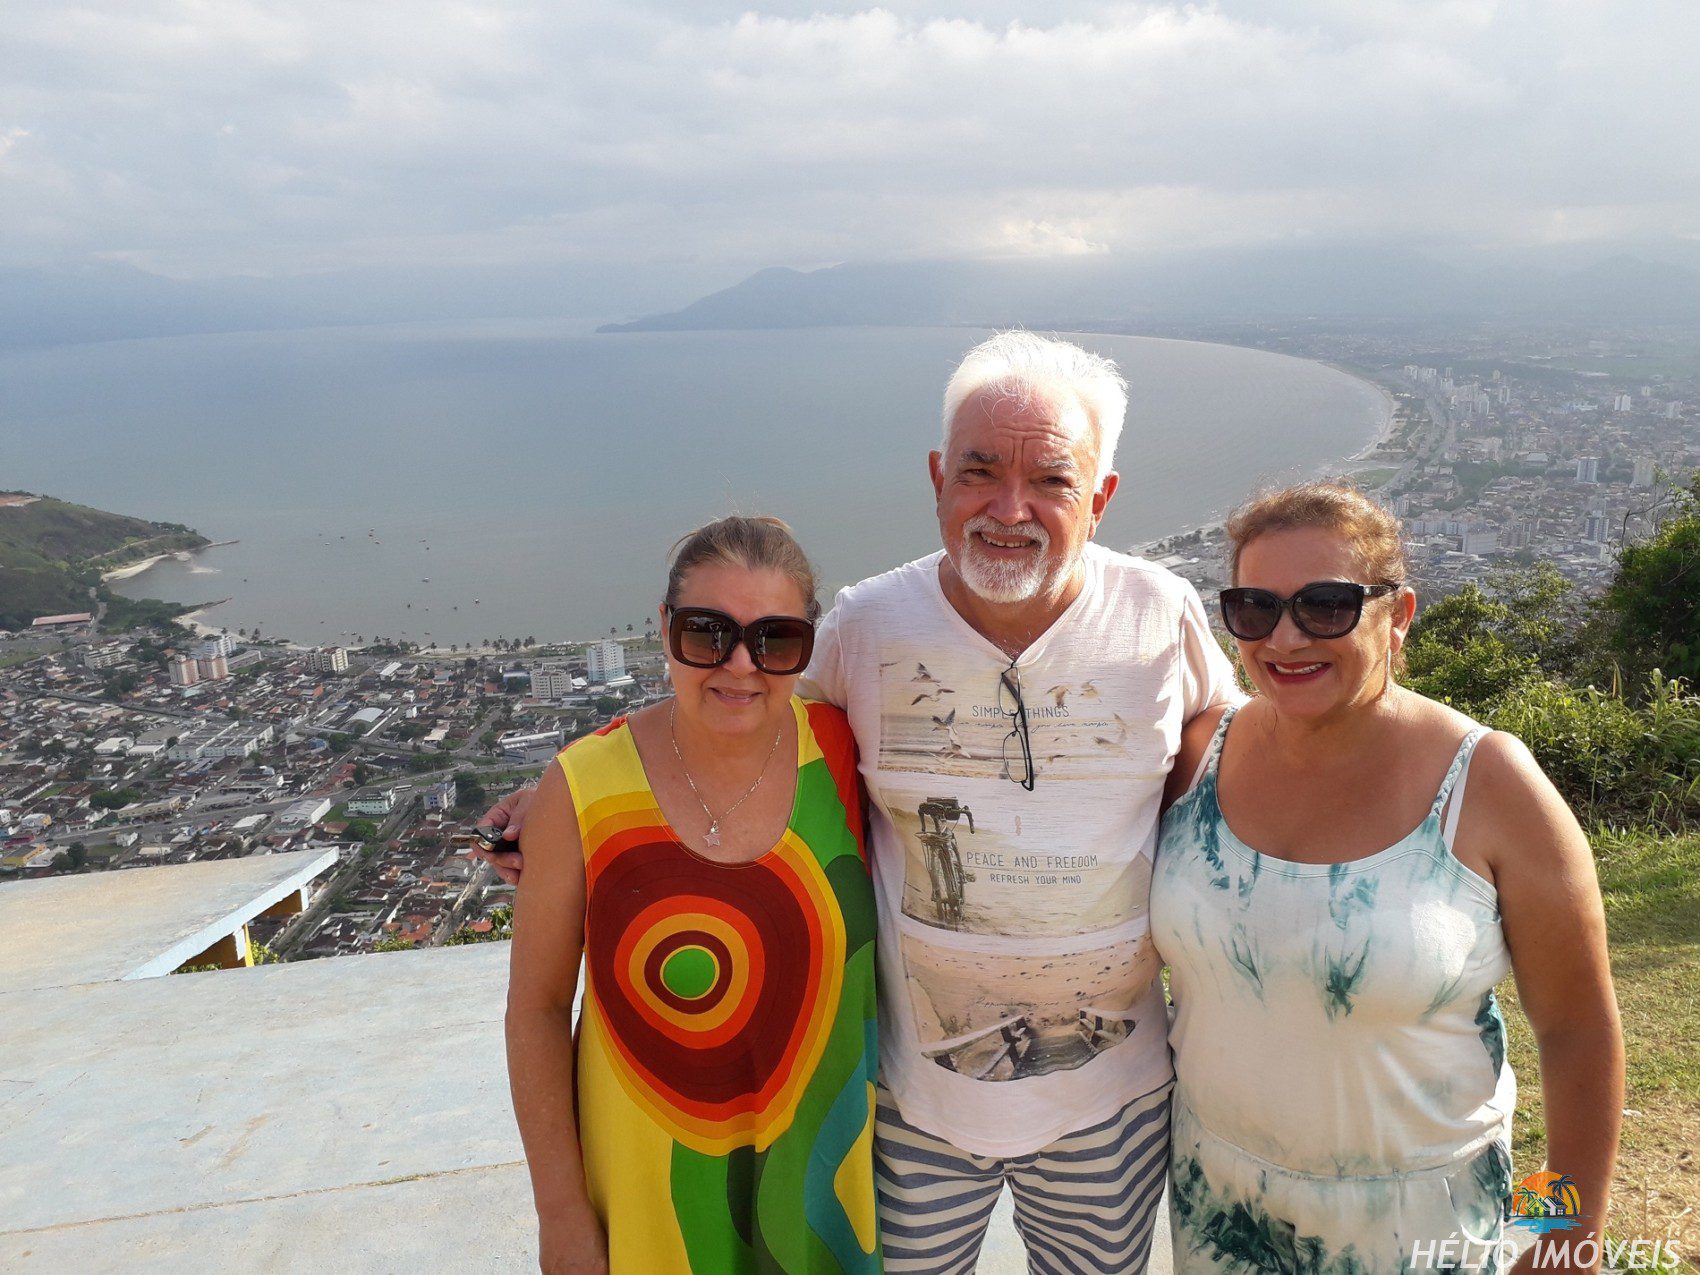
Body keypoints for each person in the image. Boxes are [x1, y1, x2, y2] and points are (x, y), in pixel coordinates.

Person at [481, 331, 1239, 1273]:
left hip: (1110, 1106)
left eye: (1051, 479)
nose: (1009, 508)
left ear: (1102, 495)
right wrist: (570, 791)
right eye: (979, 470)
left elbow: (1239, 749)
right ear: (937, 478)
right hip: (912, 1105)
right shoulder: (866, 623)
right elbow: (743, 706)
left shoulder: (1161, 614)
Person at [1153, 482, 1623, 1274]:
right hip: (1219, 1204)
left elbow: (1576, 1032)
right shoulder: (1202, 752)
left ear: (1398, 615)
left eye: (1326, 605)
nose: (1286, 637)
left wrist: (1565, 1235)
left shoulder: (1489, 784)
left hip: (1423, 1222)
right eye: (1254, 608)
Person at [504, 515, 879, 1275]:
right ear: (664, 628)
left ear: (807, 645)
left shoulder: (846, 751)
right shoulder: (583, 788)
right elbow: (537, 1009)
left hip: (821, 1190)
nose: (740, 665)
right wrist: (561, 1214)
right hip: (647, 1200)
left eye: (775, 640)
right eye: (708, 633)